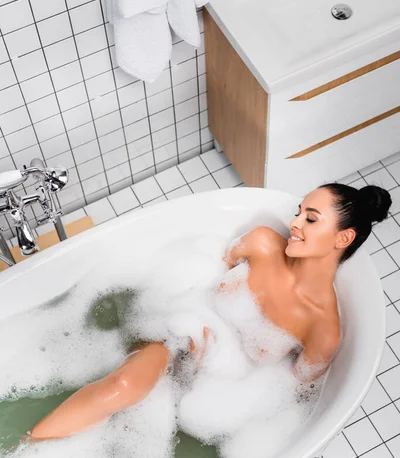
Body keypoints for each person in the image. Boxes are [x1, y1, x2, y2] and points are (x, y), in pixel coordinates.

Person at [29, 182, 392, 442]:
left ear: (342, 238)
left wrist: (229, 381)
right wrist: (195, 330)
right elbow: (209, 269)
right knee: (124, 386)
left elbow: (290, 394)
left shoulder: (323, 331)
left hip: (218, 389)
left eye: (310, 219)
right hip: (178, 331)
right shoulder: (263, 243)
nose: (294, 222)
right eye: (298, 213)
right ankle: (26, 447)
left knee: (130, 413)